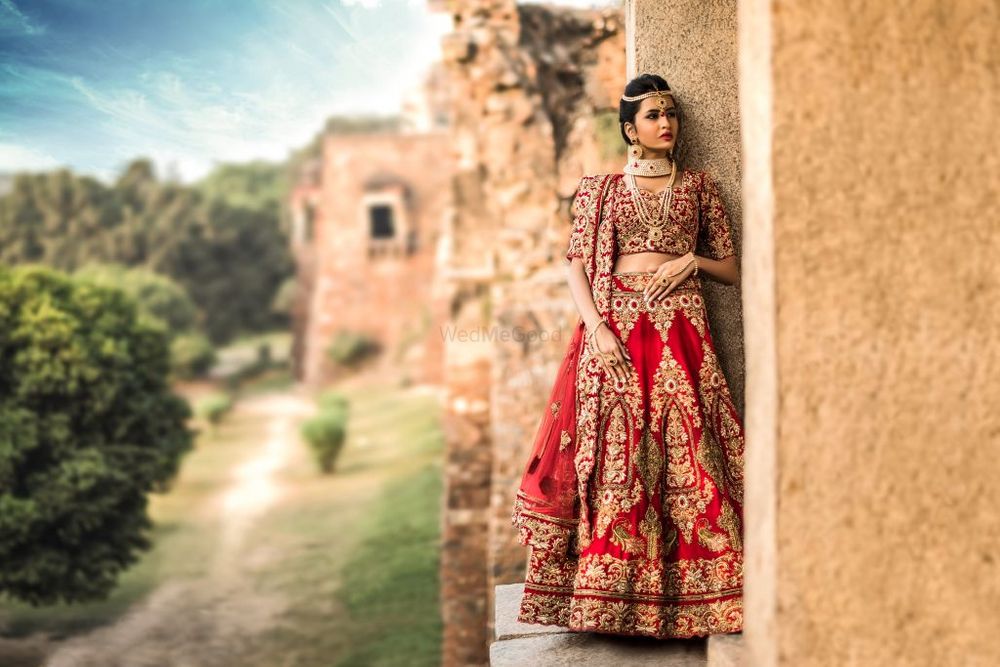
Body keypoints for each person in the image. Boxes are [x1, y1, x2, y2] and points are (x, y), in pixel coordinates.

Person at [510, 73, 745, 639]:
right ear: (629, 129)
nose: (666, 123)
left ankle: (699, 592)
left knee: (690, 452)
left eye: (671, 113)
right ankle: (612, 598)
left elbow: (731, 271)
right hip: (615, 331)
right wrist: (596, 329)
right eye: (652, 116)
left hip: (683, 330)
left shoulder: (701, 188)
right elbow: (577, 264)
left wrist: (691, 262)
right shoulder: (602, 190)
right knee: (616, 458)